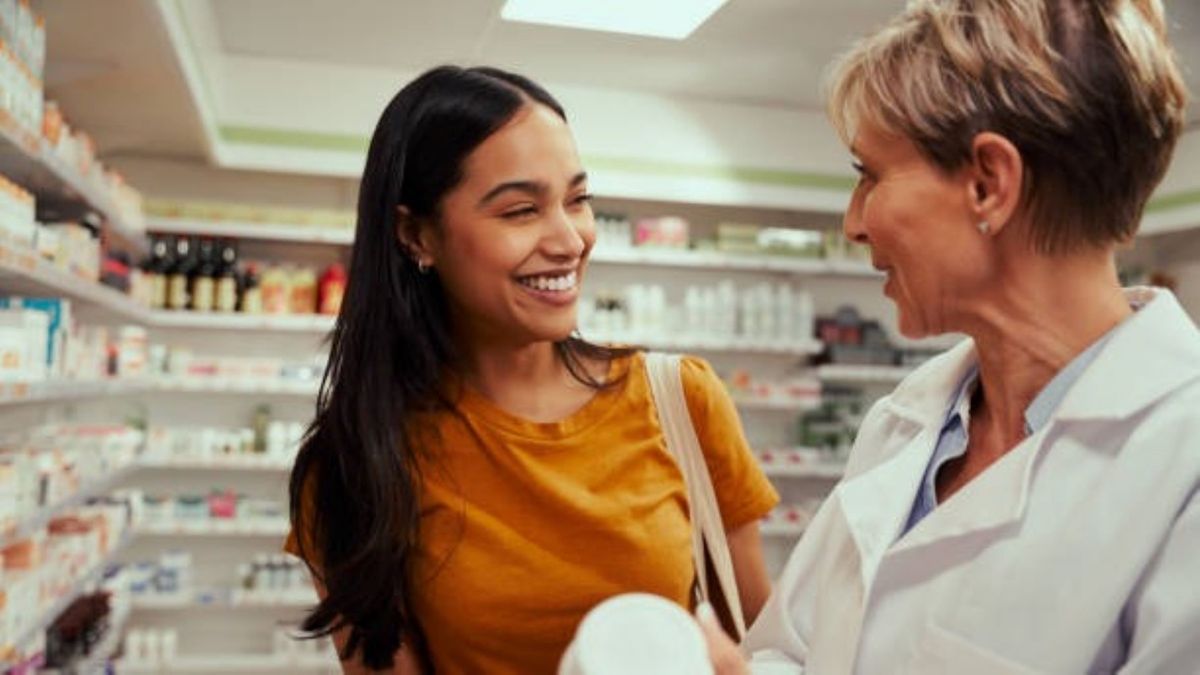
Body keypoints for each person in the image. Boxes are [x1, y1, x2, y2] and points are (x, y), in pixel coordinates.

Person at [702, 0, 1199, 672]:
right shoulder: (907, 422)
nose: (853, 222)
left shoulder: (1183, 466)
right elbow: (798, 649)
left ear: (988, 184)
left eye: (869, 175)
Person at [284, 65, 779, 674]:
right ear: (416, 234)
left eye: (578, 200)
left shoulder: (680, 399)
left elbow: (764, 644)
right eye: (521, 210)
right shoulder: (356, 464)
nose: (570, 239)